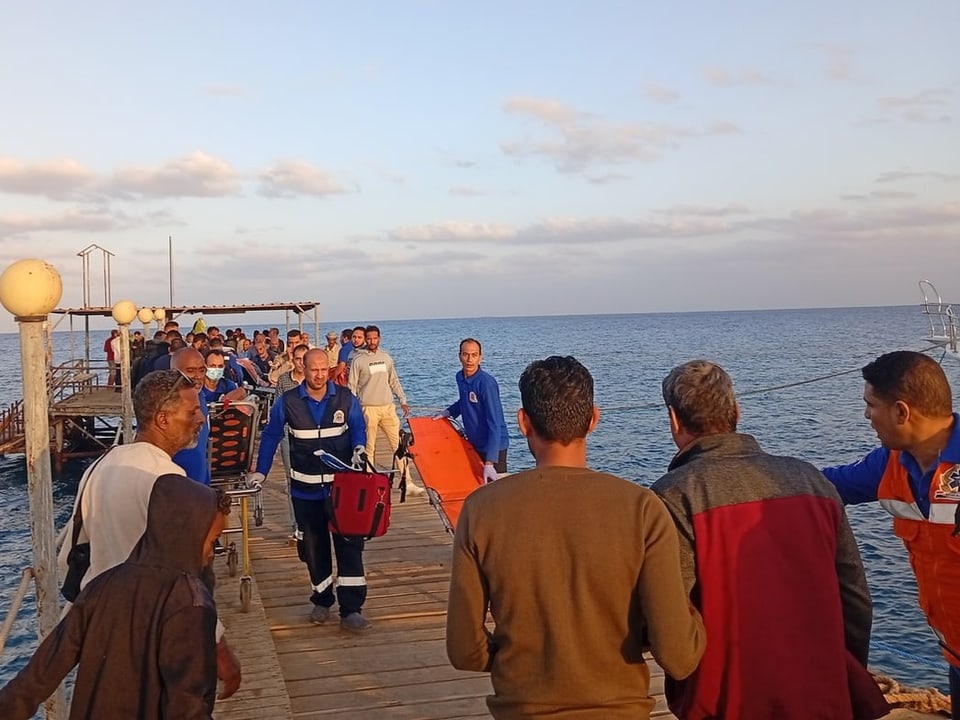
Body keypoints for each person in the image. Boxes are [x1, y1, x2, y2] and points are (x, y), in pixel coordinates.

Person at [446, 355, 705, 719]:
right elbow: (679, 655)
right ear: (594, 419)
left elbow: (464, 650)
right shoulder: (642, 509)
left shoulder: (481, 510)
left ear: (523, 422)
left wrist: (514, 659)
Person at [651, 360, 887, 720]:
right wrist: (843, 671)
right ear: (736, 411)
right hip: (821, 694)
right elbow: (854, 598)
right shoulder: (812, 481)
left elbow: (673, 622)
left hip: (726, 702)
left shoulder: (673, 496)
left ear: (673, 419)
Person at [56, 369, 241, 699]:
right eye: (192, 410)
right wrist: (219, 649)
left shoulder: (100, 466)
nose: (201, 418)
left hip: (100, 629)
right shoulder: (167, 480)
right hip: (152, 633)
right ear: (163, 419)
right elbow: (186, 576)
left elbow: (70, 551)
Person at [1, 476, 230, 719]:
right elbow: (187, 703)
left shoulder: (102, 585)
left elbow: (41, 671)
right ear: (188, 533)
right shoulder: (192, 604)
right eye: (212, 541)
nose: (211, 553)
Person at [822, 350, 960, 717]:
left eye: (871, 405)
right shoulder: (889, 466)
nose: (867, 415)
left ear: (902, 411)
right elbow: (818, 486)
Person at [249, 348, 371, 631]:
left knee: (350, 547)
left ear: (329, 369)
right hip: (305, 491)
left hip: (343, 491)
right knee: (314, 549)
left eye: (322, 369)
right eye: (312, 369)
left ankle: (352, 608)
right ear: (302, 369)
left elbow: (358, 428)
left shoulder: (344, 397)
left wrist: (359, 448)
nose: (318, 375)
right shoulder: (288, 402)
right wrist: (261, 472)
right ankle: (322, 598)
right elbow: (270, 436)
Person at [435, 338, 509, 483]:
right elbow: (464, 401)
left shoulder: (486, 384)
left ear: (480, 357)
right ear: (459, 356)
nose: (469, 360)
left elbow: (495, 422)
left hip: (495, 445)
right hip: (474, 442)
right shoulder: (459, 377)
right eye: (466, 354)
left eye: (474, 355)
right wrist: (448, 413)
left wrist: (490, 461)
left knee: (498, 491)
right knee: (476, 487)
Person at [348, 325, 410, 469]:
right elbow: (351, 386)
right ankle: (370, 478)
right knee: (369, 447)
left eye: (374, 338)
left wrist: (403, 400)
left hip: (388, 407)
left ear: (379, 338)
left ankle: (406, 481)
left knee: (398, 445)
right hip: (368, 409)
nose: (372, 341)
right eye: (369, 338)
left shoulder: (386, 358)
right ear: (366, 339)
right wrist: (353, 410)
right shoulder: (358, 360)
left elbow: (393, 380)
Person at [171, 348, 212, 486]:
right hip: (176, 486)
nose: (198, 376)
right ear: (174, 372)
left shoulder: (200, 397)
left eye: (202, 370)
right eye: (190, 370)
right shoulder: (166, 404)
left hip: (200, 486)